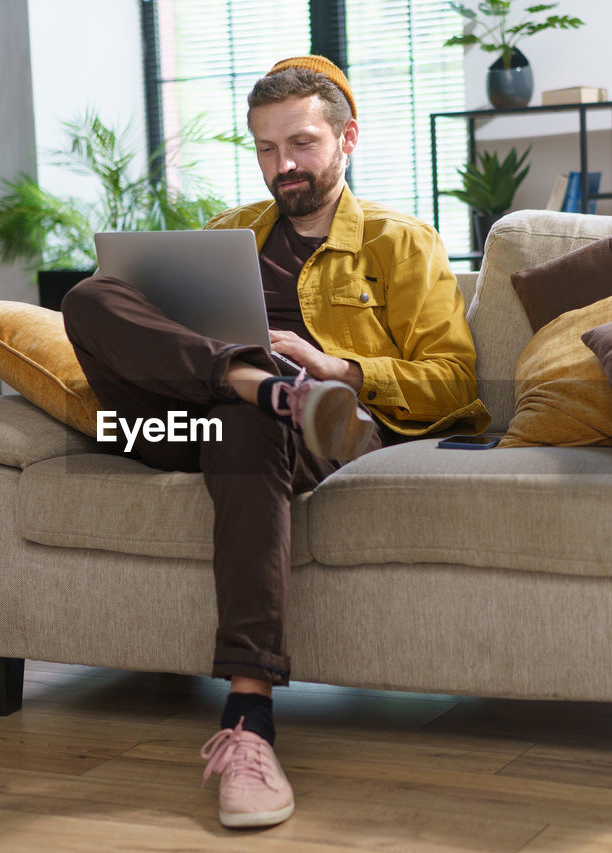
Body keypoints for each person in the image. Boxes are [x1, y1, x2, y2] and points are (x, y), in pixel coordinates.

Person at [61, 54, 489, 829]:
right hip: (171, 421)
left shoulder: (400, 241)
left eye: (301, 144)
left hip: (302, 430)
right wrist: (236, 370)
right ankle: (251, 379)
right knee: (88, 294)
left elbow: (454, 381)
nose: (282, 165)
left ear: (346, 137)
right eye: (265, 148)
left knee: (251, 423)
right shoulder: (229, 234)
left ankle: (248, 721)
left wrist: (337, 367)